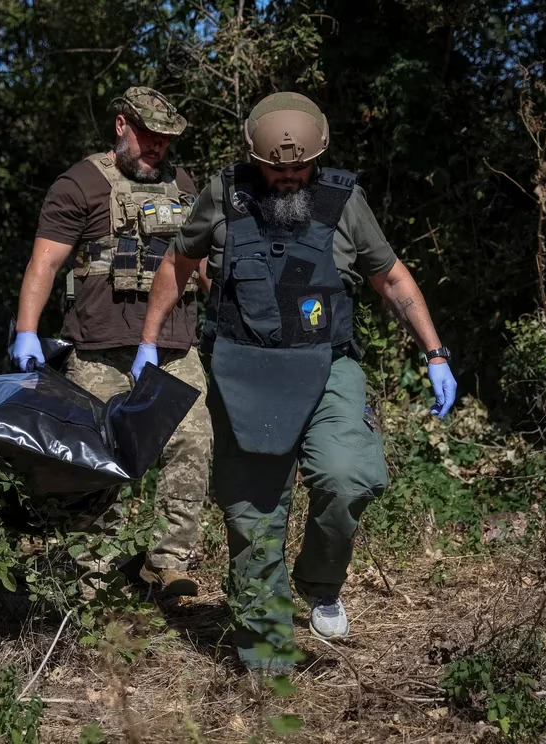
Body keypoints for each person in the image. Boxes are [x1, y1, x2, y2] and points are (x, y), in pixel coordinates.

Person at [136, 92, 458, 672]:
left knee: (349, 472)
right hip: (243, 369)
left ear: (318, 157)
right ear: (256, 158)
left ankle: (320, 583)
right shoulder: (223, 194)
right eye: (276, 168)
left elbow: (391, 278)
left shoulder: (343, 199)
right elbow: (177, 264)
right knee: (251, 512)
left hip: (328, 364)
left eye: (299, 167)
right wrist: (147, 342)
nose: (288, 177)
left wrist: (435, 353)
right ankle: (266, 654)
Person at [11, 86, 212, 597]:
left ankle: (167, 564)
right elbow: (46, 262)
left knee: (191, 445)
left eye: (165, 141)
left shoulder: (185, 185)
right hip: (99, 350)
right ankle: (94, 572)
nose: (157, 149)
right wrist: (27, 330)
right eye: (148, 137)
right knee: (100, 461)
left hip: (174, 347)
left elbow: (203, 265)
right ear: (121, 125)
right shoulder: (79, 184)